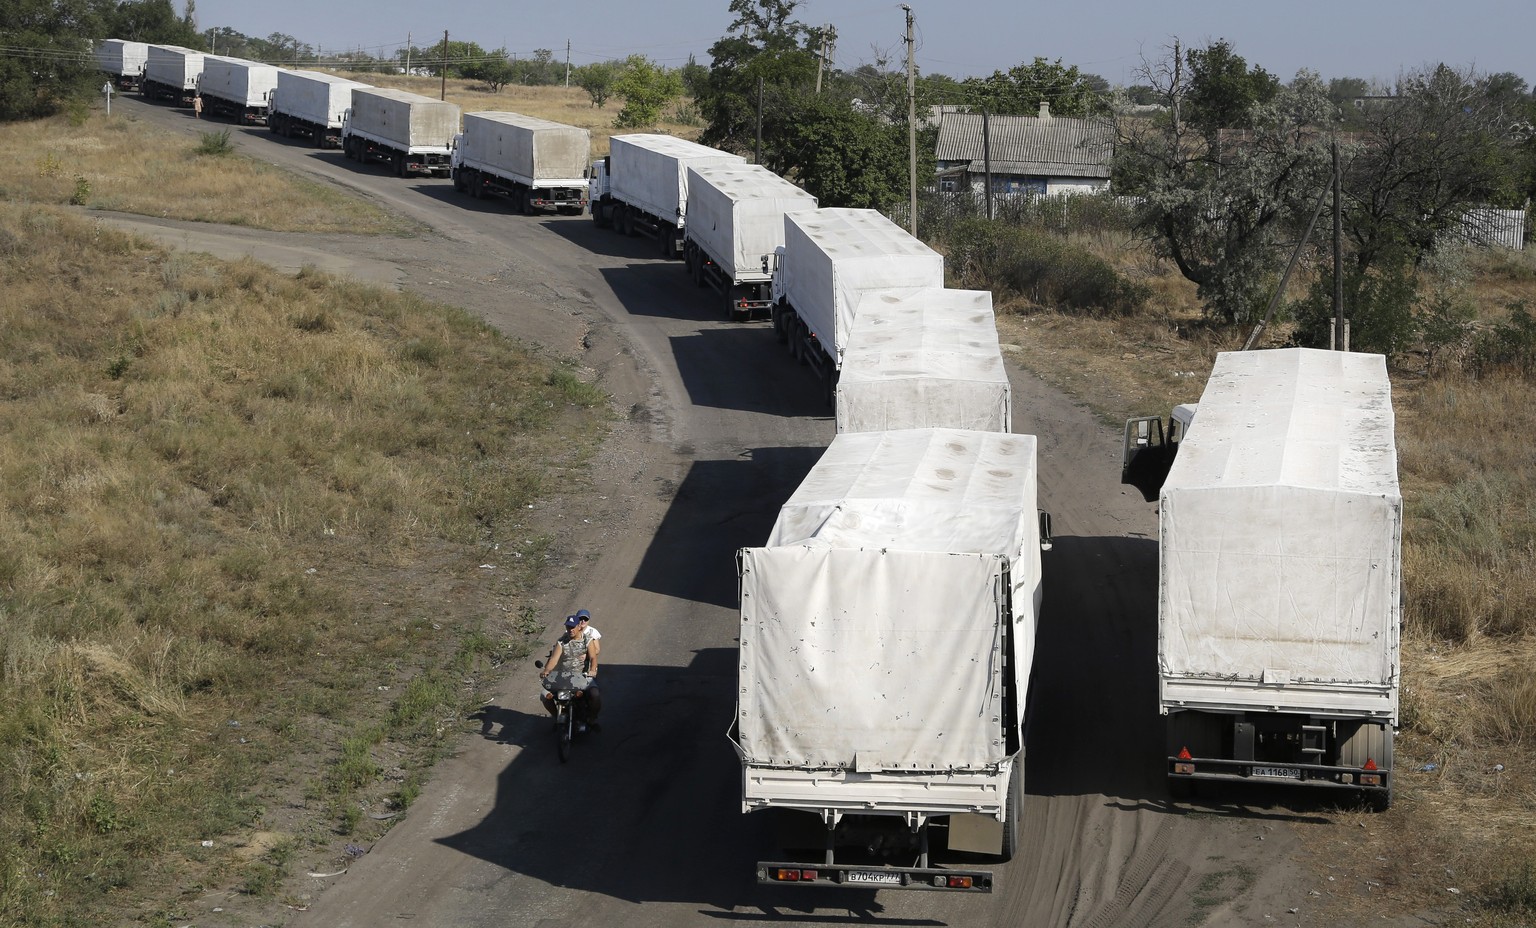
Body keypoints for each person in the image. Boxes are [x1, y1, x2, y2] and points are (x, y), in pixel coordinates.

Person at [538, 609, 602, 730]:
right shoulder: (562, 642)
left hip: (582, 677)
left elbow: (593, 657)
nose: (570, 630)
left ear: (579, 626)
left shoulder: (587, 640)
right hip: (563, 677)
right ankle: (557, 717)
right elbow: (554, 659)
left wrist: (593, 670)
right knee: (545, 696)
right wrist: (546, 671)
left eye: (572, 627)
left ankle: (592, 719)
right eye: (568, 627)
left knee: (595, 694)